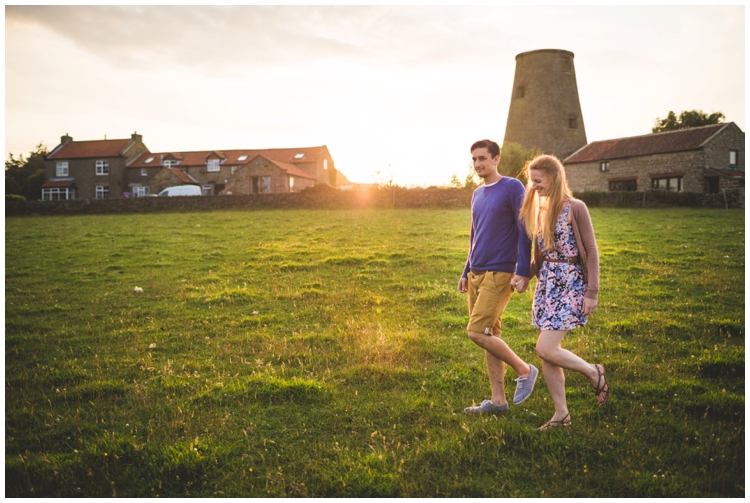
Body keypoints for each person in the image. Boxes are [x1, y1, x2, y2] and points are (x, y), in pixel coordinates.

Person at [515, 154, 609, 430]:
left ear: (554, 178)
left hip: (570, 285)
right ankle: (561, 414)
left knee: (545, 347)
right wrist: (526, 277)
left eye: (538, 180)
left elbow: (590, 251)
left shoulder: (575, 208)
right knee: (547, 352)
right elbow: (542, 254)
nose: (533, 186)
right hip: (547, 286)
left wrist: (592, 292)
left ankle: (594, 372)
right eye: (531, 181)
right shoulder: (541, 210)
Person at [458, 139, 538, 415]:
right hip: (477, 272)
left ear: (496, 159)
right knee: (490, 334)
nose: (478, 164)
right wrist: (465, 271)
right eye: (474, 160)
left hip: (500, 271)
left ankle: (525, 370)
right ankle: (499, 402)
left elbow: (524, 228)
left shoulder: (512, 187)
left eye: (483, 158)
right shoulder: (477, 193)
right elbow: (474, 235)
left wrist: (523, 271)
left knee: (476, 332)